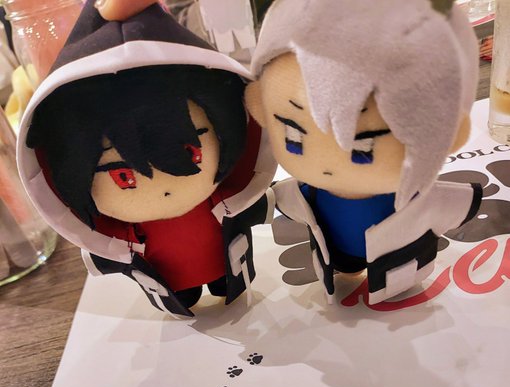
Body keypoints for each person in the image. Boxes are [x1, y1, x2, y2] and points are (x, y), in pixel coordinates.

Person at [19, 0, 276, 316]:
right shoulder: (129, 234)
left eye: (191, 153)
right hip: (170, 282)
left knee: (226, 286)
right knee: (185, 296)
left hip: (229, 271)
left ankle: (220, 282)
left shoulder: (224, 200)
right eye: (123, 177)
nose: (164, 187)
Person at [246, 0, 483, 305]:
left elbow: (448, 204)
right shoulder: (307, 192)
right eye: (294, 136)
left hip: (401, 267)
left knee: (399, 287)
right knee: (347, 268)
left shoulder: (416, 198)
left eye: (363, 146)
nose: (329, 165)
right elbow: (285, 199)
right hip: (339, 256)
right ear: (260, 107)